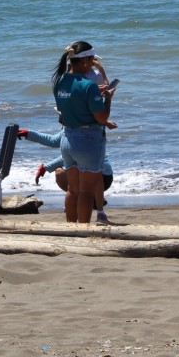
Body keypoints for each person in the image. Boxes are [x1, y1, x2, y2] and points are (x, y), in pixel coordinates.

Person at [51, 40, 115, 223]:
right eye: (91, 60)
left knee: (73, 189)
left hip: (67, 138)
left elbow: (69, 106)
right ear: (85, 61)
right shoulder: (88, 85)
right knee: (87, 192)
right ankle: (83, 230)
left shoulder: (59, 81)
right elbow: (102, 118)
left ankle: (71, 228)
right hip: (88, 140)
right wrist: (108, 99)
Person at [19, 127, 115, 224]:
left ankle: (100, 213)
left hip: (104, 176)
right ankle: (74, 220)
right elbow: (52, 141)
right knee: (60, 173)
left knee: (93, 171)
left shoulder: (88, 125)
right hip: (83, 170)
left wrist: (47, 167)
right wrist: (28, 134)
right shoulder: (68, 128)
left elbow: (76, 154)